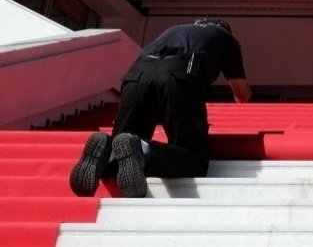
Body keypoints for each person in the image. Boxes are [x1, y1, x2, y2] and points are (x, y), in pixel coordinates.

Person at [69, 16, 251, 198]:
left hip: (137, 76)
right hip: (179, 76)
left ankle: (107, 151)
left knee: (122, 145)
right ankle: (142, 149)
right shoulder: (224, 37)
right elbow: (242, 94)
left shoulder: (174, 29)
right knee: (194, 158)